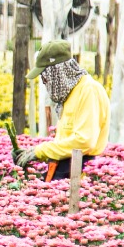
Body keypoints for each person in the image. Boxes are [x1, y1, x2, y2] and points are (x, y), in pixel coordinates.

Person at [15, 40, 110, 179]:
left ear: (58, 72)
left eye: (45, 75)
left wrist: (41, 151)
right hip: (65, 169)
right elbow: (64, 143)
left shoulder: (88, 91)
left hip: (80, 174)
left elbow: (84, 141)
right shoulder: (70, 93)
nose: (44, 81)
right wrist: (30, 153)